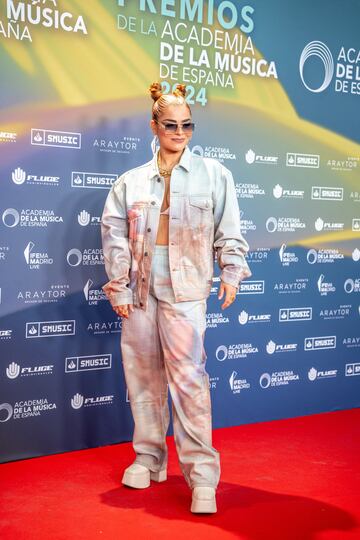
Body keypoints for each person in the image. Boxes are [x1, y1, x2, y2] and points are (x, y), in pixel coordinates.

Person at [101, 81, 252, 513]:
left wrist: (231, 271)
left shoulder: (214, 174)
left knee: (188, 380)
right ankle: (149, 458)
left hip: (187, 288)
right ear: (154, 126)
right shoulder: (129, 183)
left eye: (188, 125)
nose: (180, 132)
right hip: (141, 286)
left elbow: (230, 228)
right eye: (171, 124)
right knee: (142, 377)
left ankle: (202, 474)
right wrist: (120, 284)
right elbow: (114, 236)